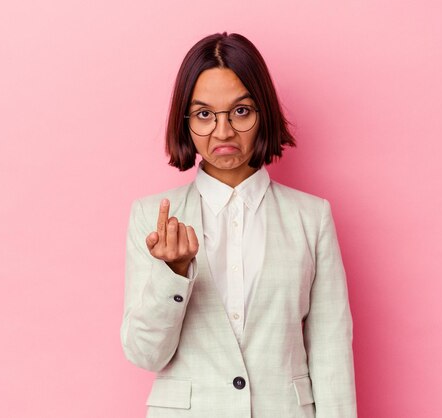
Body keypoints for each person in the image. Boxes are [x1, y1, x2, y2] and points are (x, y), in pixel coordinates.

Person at [121, 32, 357, 418]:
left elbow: (332, 353)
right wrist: (174, 273)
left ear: (262, 112)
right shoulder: (150, 217)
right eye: (204, 114)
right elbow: (145, 354)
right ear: (185, 120)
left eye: (241, 111)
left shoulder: (311, 218)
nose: (224, 131)